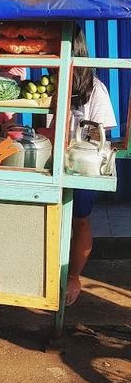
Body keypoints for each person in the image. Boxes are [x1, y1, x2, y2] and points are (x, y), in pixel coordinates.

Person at [66, 24, 117, 305]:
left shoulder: (95, 88)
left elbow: (102, 135)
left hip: (81, 166)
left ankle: (74, 277)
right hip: (54, 163)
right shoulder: (53, 81)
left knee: (80, 220)